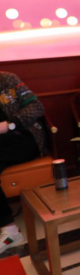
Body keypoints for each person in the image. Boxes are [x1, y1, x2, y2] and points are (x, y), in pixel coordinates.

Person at [0, 72, 47, 254]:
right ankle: (9, 229)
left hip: (24, 136)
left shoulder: (8, 80)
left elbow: (36, 107)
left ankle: (10, 230)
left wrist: (9, 124)